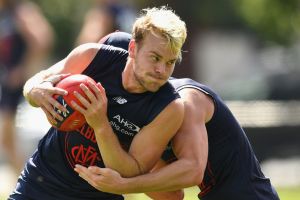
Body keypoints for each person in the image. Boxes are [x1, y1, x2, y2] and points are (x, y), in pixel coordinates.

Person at [74, 32, 280, 200]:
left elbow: (192, 170)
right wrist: (112, 145)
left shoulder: (184, 101)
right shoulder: (143, 123)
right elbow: (171, 195)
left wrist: (124, 184)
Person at [9, 6, 187, 200]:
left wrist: (100, 125)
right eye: (155, 58)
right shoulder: (92, 57)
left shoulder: (169, 108)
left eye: (170, 62)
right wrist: (35, 91)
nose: (161, 70)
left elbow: (130, 173)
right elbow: (37, 82)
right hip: (40, 183)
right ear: (133, 49)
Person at [0, 0, 54, 174]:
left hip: (17, 85)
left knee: (6, 136)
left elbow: (42, 39)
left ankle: (30, 179)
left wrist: (23, 70)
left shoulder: (20, 10)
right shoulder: (7, 13)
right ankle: (24, 180)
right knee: (6, 138)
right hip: (7, 82)